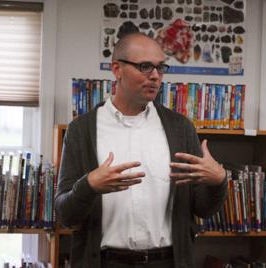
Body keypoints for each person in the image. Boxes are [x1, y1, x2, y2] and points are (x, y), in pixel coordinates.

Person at [55, 32, 228, 268]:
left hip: (168, 261)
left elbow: (203, 208)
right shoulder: (81, 130)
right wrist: (89, 186)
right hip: (104, 262)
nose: (155, 76)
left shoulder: (180, 128)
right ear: (117, 69)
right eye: (145, 67)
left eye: (160, 67)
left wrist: (218, 181)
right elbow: (66, 215)